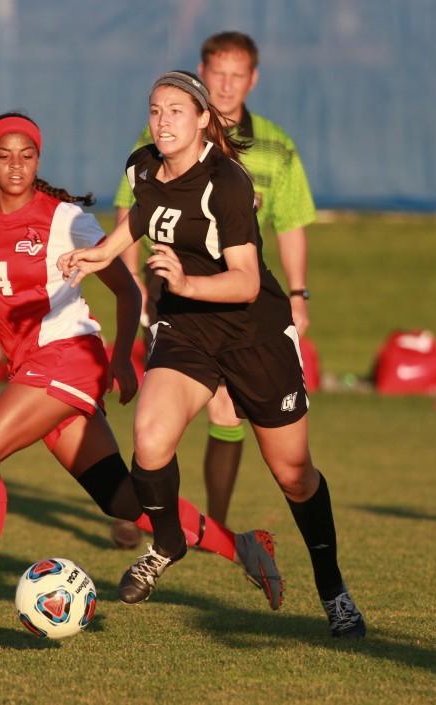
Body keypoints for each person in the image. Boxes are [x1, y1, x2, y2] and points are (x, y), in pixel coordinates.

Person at [0, 112, 282, 627]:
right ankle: (245, 547)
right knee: (121, 499)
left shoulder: (64, 219)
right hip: (30, 368)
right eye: (4, 155)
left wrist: (120, 358)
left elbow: (127, 290)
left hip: (68, 357)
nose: (15, 165)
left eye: (26, 155)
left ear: (39, 159)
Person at [59, 72, 364, 638]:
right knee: (149, 441)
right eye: (155, 109)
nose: (163, 120)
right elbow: (141, 221)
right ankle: (169, 541)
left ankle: (332, 587)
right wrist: (98, 255)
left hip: (255, 335)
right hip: (187, 331)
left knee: (294, 474)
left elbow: (246, 282)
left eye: (176, 109)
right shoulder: (143, 164)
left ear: (203, 119)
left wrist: (187, 281)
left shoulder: (225, 183)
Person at [112, 31, 317, 534]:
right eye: (217, 75)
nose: (226, 86)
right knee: (156, 424)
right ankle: (148, 518)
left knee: (230, 415)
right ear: (202, 77)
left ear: (253, 80)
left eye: (236, 76)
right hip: (171, 302)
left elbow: (289, 223)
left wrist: (297, 292)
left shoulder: (273, 147)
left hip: (236, 305)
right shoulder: (160, 136)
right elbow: (132, 212)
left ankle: (215, 528)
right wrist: (133, 288)